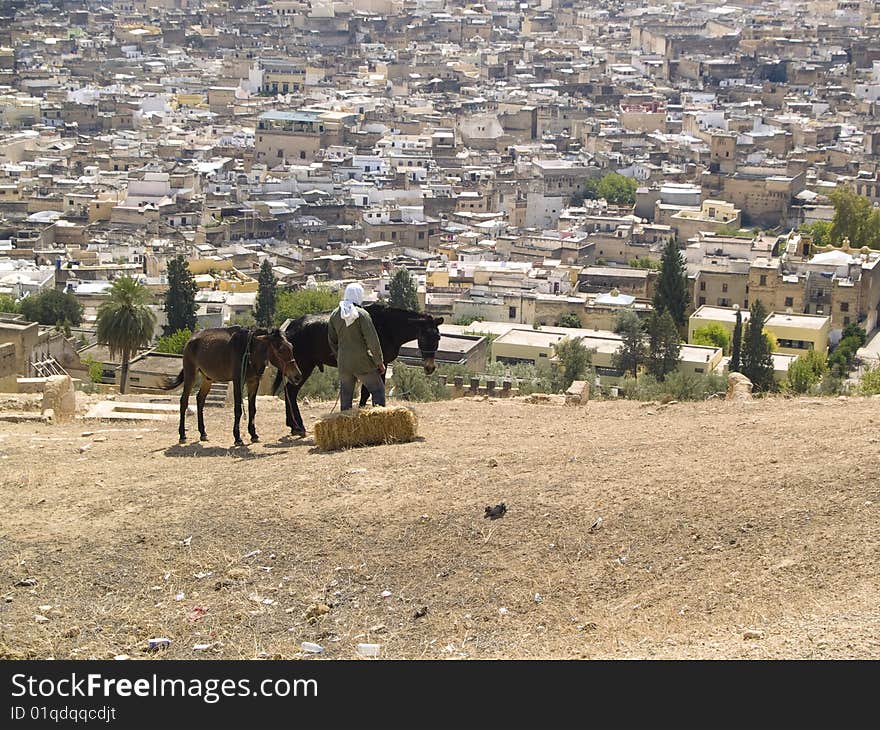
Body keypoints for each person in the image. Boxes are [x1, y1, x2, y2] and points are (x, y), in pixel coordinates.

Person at [328, 282, 386, 410]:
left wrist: (339, 356)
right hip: (362, 361)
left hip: (343, 362)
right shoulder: (362, 314)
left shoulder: (335, 314)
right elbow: (372, 341)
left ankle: (345, 427)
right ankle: (377, 422)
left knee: (346, 398)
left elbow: (332, 340)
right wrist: (379, 361)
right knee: (378, 391)